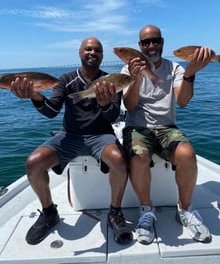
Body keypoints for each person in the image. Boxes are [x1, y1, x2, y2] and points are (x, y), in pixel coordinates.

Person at [10, 37, 133, 246]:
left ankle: (115, 212)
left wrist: (104, 105)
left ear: (102, 55)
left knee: (120, 161)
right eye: (88, 49)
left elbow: (112, 117)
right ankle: (49, 213)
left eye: (97, 50)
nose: (92, 52)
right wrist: (36, 96)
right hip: (69, 135)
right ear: (79, 53)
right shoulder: (65, 79)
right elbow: (51, 112)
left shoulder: (112, 80)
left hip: (101, 135)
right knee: (33, 163)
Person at [121, 24, 212, 245]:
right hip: (137, 128)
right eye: (146, 42)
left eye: (155, 41)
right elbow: (129, 106)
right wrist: (134, 79)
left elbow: (182, 102)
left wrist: (190, 74)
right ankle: (146, 211)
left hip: (166, 128)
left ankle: (186, 210)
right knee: (138, 156)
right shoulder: (127, 70)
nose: (151, 46)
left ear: (162, 42)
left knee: (187, 154)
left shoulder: (175, 69)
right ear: (139, 46)